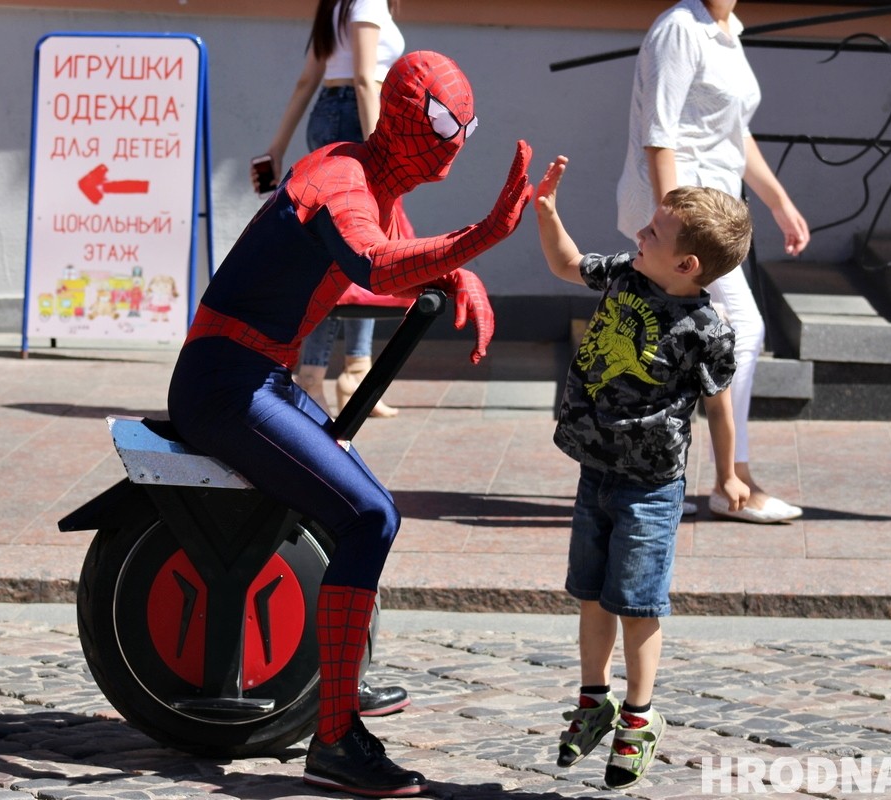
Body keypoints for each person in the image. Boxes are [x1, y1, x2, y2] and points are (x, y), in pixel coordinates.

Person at [171, 50, 532, 797]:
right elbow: (370, 261)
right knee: (369, 514)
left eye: (466, 125)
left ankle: (333, 689)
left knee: (363, 507)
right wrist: (477, 240)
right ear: (403, 119)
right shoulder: (343, 181)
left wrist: (451, 270)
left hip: (253, 374)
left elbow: (386, 259)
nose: (456, 139)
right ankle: (334, 738)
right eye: (442, 121)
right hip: (226, 380)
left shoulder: (370, 176)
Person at [536, 155, 750, 789]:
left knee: (637, 602)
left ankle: (639, 716)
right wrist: (548, 215)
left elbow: (718, 403)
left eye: (653, 232)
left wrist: (729, 473)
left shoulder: (705, 329)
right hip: (594, 471)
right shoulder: (627, 276)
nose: (639, 236)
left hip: (650, 487)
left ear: (688, 265)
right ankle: (593, 699)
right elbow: (568, 264)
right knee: (591, 591)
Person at [616, 0, 810, 523]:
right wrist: (671, 231)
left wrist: (778, 201)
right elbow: (660, 135)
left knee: (691, 337)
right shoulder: (680, 29)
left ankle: (670, 472)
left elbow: (734, 132)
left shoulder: (728, 30)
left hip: (708, 214)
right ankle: (732, 480)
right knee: (741, 329)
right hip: (683, 218)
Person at [253, 0, 409, 419]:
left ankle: (350, 371)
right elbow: (363, 79)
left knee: (351, 248)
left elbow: (308, 80)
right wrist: (381, 146)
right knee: (358, 250)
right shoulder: (368, 0)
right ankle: (320, 376)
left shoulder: (337, 3)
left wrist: (276, 148)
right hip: (356, 117)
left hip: (331, 113)